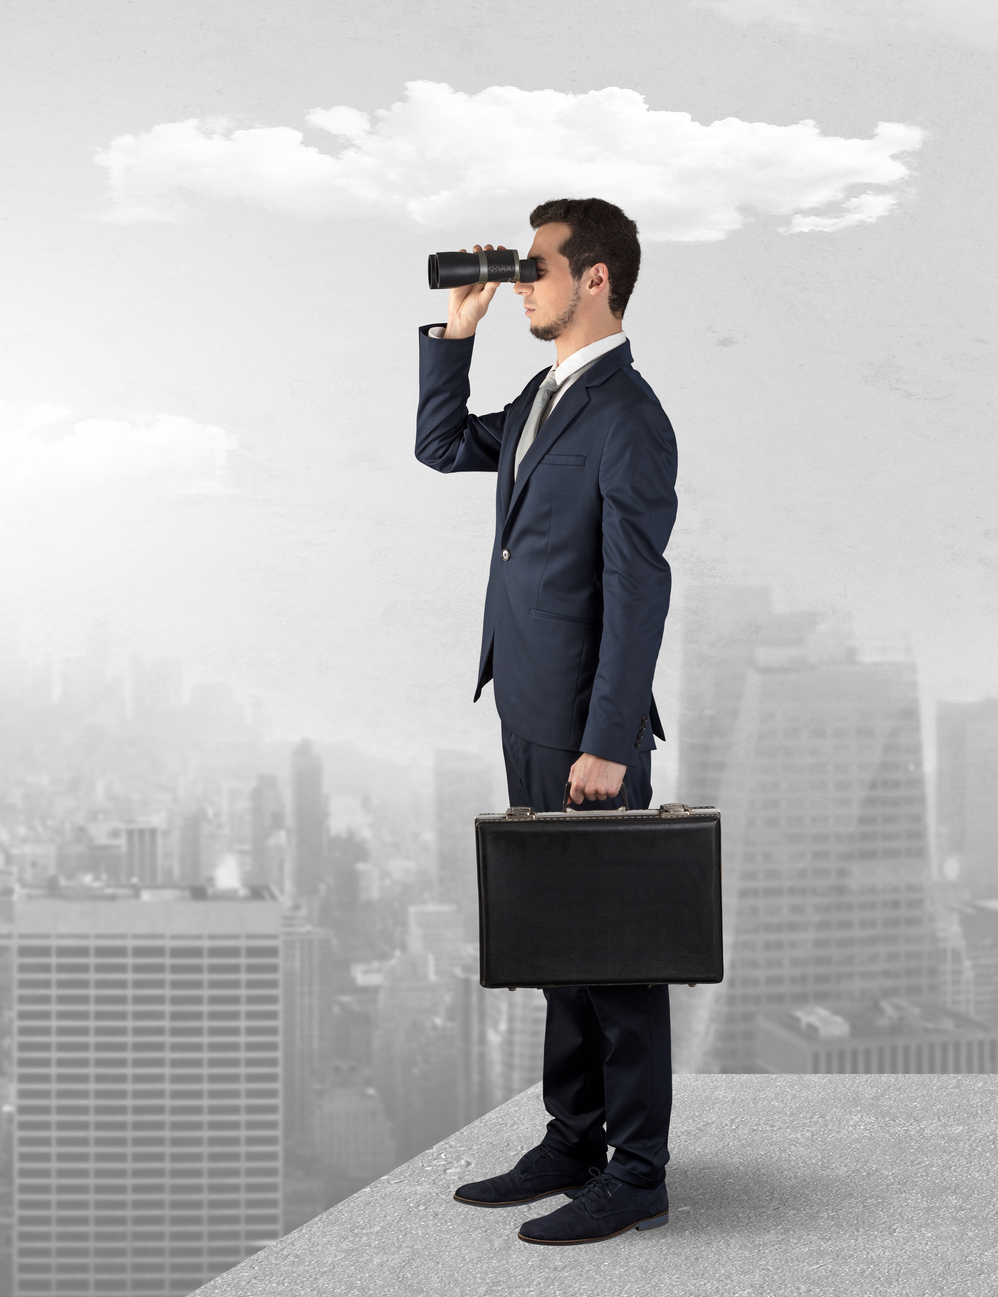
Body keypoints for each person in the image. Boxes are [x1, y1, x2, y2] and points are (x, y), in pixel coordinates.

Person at [413, 197, 679, 1245]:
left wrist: (607, 742)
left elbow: (636, 587)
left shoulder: (627, 414)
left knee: (614, 952)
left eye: (535, 266)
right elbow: (441, 446)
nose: (522, 279)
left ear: (595, 278)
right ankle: (571, 1139)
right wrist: (459, 329)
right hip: (524, 702)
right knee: (556, 944)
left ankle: (639, 1168)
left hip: (585, 727)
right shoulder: (539, 393)